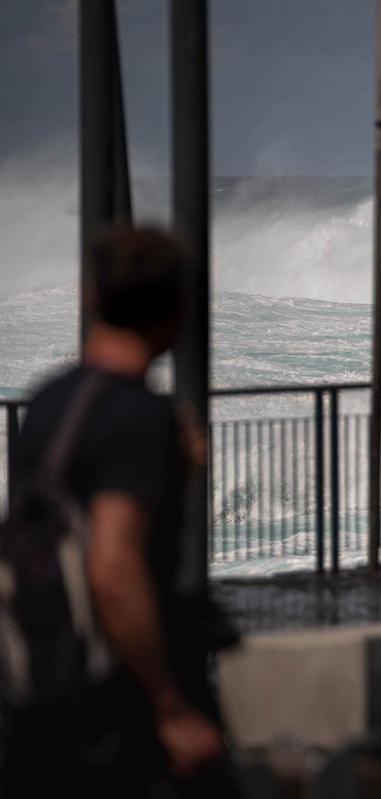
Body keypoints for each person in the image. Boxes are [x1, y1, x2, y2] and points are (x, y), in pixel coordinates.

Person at [0, 228, 228, 797]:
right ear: (176, 313)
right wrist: (171, 708)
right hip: (113, 707)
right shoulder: (138, 416)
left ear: (91, 297)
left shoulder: (49, 400)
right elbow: (113, 568)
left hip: (40, 687)